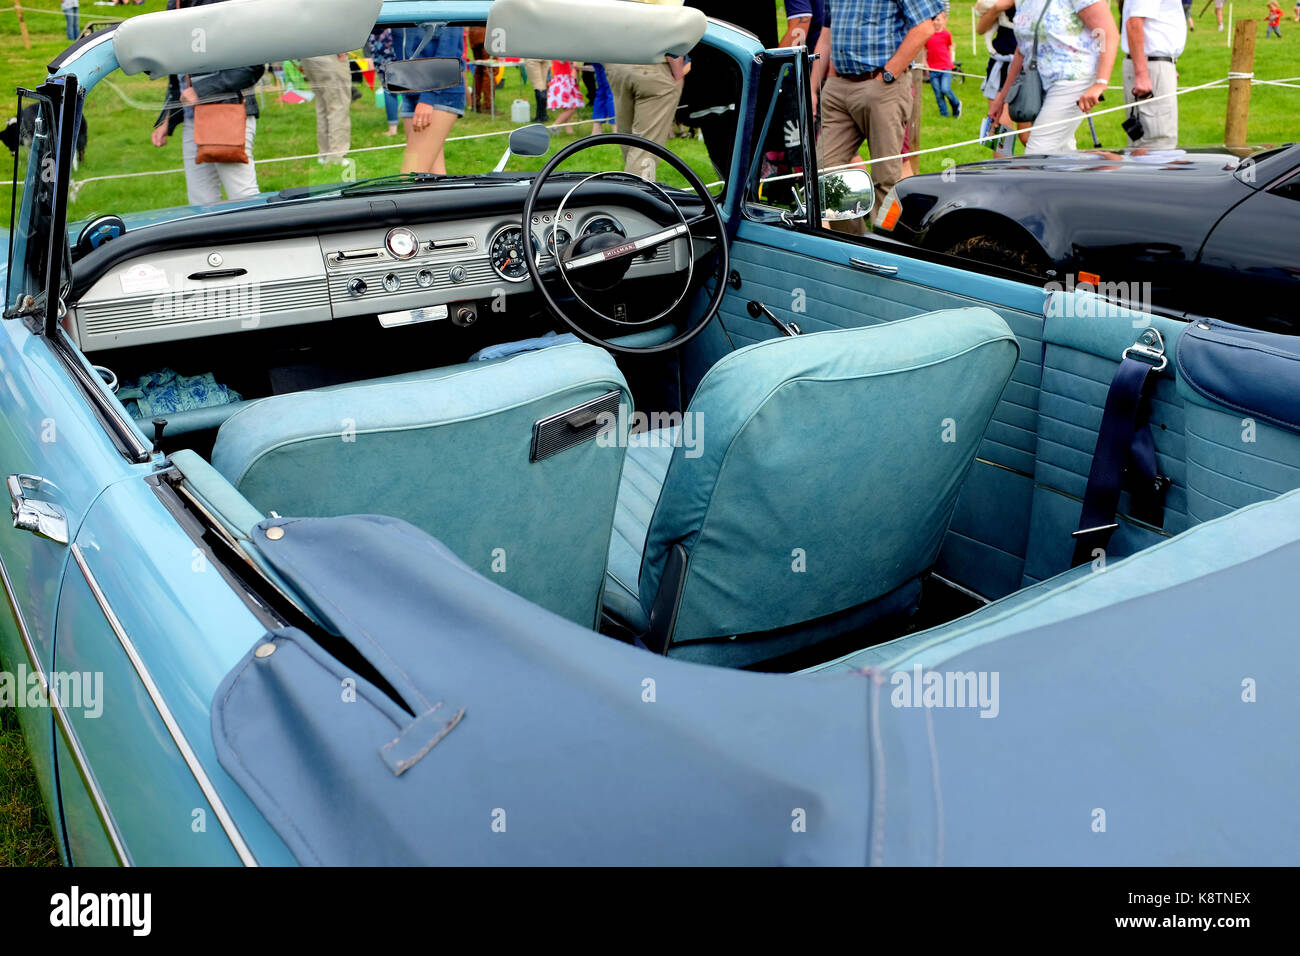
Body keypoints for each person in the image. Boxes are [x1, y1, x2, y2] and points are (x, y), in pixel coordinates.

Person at [813, 0, 944, 209]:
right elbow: (826, 33)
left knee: (886, 179)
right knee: (823, 174)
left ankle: (883, 239)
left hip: (883, 86)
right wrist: (813, 88)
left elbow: (925, 27)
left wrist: (888, 75)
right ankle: (851, 239)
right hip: (838, 87)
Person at [151, 0, 264, 205]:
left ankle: (260, 238)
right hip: (193, 119)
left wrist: (201, 91)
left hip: (227, 114)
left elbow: (251, 67)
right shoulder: (175, 5)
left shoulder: (226, 5)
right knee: (201, 203)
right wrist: (168, 118)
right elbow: (179, 72)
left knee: (243, 197)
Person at [986, 0, 1119, 155]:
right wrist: (1002, 99)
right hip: (1036, 84)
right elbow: (1021, 50)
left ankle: (1108, 163)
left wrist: (1100, 83)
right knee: (1062, 154)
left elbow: (1108, 33)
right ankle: (1102, 168)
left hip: (1072, 79)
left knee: (1038, 152)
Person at [394, 24, 466, 175]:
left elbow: (449, 48)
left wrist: (429, 97)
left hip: (439, 90)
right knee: (430, 180)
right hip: (410, 88)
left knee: (410, 177)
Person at [605, 56, 688, 181]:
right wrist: (678, 76)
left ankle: (631, 188)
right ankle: (638, 196)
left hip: (617, 63)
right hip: (653, 65)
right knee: (645, 147)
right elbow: (674, 46)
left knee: (628, 140)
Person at [1122, 0, 1187, 149]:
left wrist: (1167, 65)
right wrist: (1142, 74)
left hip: (1155, 64)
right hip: (1149, 65)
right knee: (1156, 144)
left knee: (1156, 141)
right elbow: (1134, 23)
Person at [975, 0, 1031, 145]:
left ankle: (1041, 165)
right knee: (1000, 129)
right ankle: (1002, 167)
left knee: (1027, 135)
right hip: (1002, 63)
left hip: (1031, 65)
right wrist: (998, 8)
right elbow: (980, 29)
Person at [299, 54, 352, 164]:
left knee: (322, 105)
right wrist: (341, 49)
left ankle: (324, 153)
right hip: (329, 55)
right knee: (338, 105)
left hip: (309, 56)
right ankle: (336, 155)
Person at [926, 10, 962, 117]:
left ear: (944, 21)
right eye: (933, 20)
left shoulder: (946, 34)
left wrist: (951, 61)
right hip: (933, 68)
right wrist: (925, 65)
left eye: (938, 19)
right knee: (938, 93)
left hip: (945, 67)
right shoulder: (928, 35)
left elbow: (950, 48)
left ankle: (956, 104)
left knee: (945, 88)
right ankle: (944, 114)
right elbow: (924, 51)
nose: (936, 22)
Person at [368, 28, 400, 137]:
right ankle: (394, 128)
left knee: (389, 90)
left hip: (381, 46)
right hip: (389, 46)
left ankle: (393, 128)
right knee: (391, 89)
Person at [547, 61, 585, 133]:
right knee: (571, 108)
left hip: (565, 80)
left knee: (567, 108)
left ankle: (569, 131)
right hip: (562, 82)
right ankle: (555, 126)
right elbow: (562, 61)